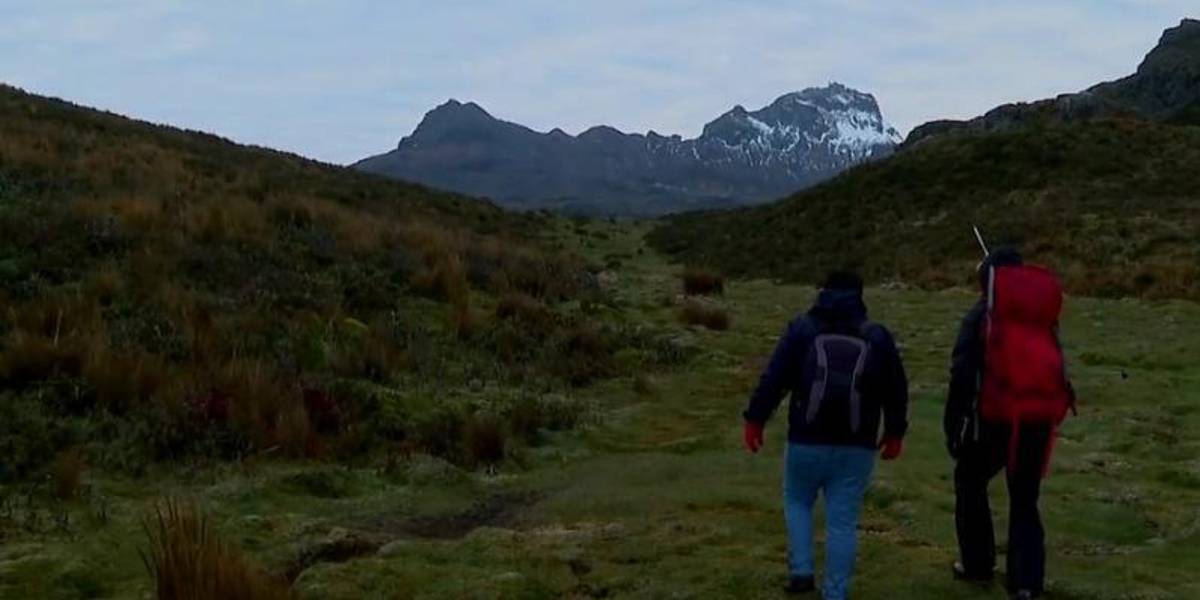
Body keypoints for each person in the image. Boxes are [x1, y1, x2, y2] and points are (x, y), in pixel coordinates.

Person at [742, 271, 908, 599]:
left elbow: (774, 378)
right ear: (861, 296)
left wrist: (755, 419)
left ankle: (801, 572)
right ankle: (835, 592)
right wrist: (894, 433)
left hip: (805, 438)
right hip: (856, 445)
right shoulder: (876, 336)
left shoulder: (802, 329)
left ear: (823, 291)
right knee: (842, 522)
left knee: (797, 501)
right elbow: (896, 390)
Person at [944, 249, 1074, 600]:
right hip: (1037, 421)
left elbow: (962, 373)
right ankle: (1027, 583)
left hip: (995, 418)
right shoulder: (1042, 316)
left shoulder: (982, 317)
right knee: (1025, 499)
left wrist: (954, 427)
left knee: (970, 480)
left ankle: (977, 565)